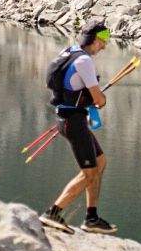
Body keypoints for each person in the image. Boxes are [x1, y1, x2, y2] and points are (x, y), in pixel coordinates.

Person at [40, 20, 115, 235]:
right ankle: (52, 213)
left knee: (100, 162)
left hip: (67, 118)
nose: (105, 46)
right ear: (94, 40)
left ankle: (91, 217)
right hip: (74, 122)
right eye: (103, 41)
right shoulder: (85, 62)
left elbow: (73, 87)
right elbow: (98, 99)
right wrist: (100, 100)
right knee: (89, 173)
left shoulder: (70, 51)